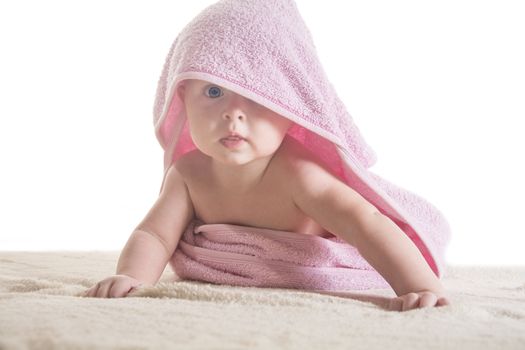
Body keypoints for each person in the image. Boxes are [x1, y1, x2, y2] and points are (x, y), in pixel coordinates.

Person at [82, 0, 452, 312]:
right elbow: (155, 235)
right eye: (213, 92)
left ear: (289, 106)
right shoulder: (189, 173)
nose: (233, 114)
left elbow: (364, 223)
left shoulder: (298, 174)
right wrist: (132, 278)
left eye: (257, 97)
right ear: (182, 101)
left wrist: (417, 285)